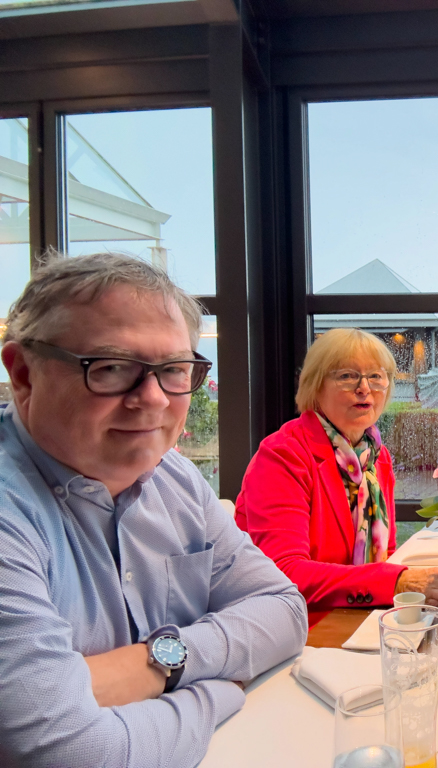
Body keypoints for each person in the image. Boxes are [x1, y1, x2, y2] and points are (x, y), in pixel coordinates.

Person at [0, 253, 307, 768]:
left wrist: (158, 662)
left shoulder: (175, 477)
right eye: (112, 368)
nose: (154, 400)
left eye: (173, 370)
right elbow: (66, 754)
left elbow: (284, 609)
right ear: (23, 373)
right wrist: (221, 692)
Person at [236, 328, 438, 622]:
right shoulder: (282, 455)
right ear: (315, 386)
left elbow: (385, 552)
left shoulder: (375, 456)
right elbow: (284, 572)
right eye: (347, 376)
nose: (364, 388)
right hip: (297, 627)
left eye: (376, 376)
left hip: (359, 618)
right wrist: (394, 583)